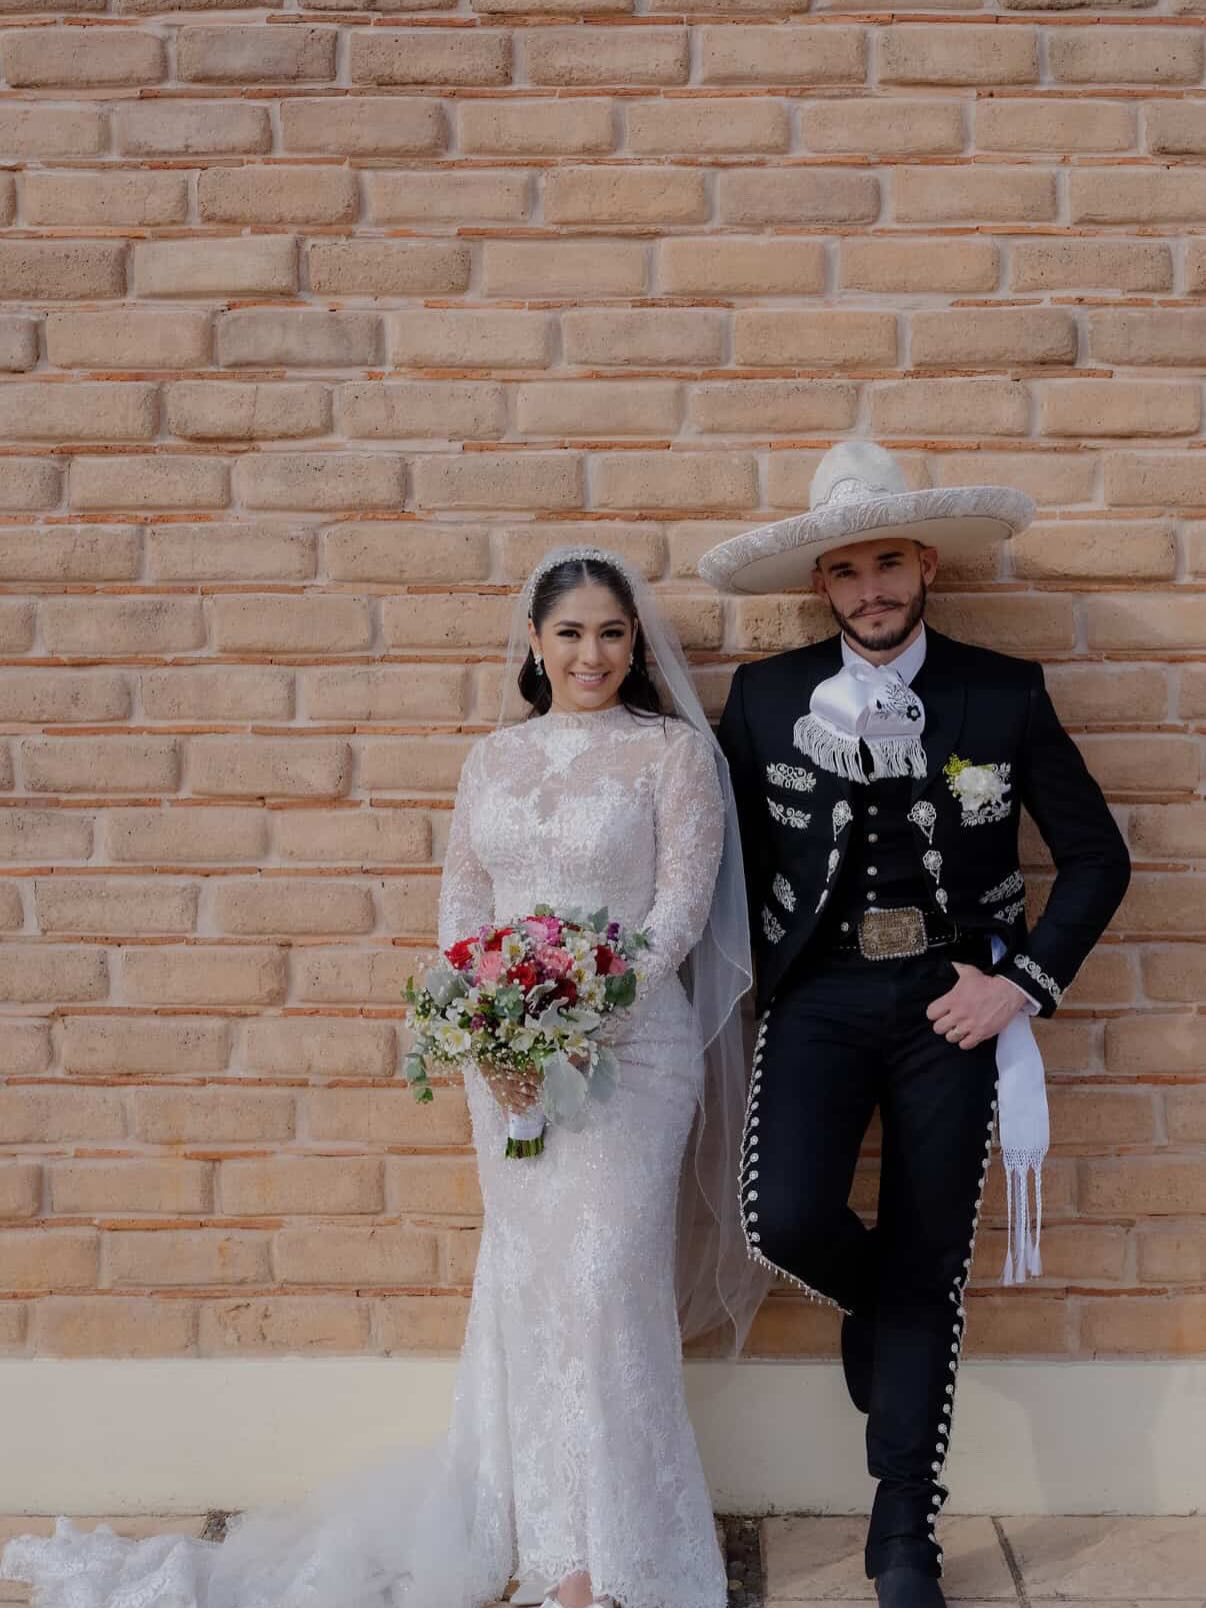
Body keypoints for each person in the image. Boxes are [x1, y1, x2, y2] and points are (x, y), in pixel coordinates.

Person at [2, 546, 765, 1608]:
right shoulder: (493, 761)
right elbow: (462, 909)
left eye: (611, 633)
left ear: (635, 647)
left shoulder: (672, 755)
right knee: (530, 1294)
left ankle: (612, 1552)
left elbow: (678, 915)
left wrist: (578, 1017)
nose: (591, 653)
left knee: (606, 1286)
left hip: (632, 1055)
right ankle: (541, 1534)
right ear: (534, 645)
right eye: (570, 632)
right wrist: (488, 1032)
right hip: (503, 1069)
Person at [701, 441, 1131, 1608]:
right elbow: (724, 859)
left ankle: (904, 1540)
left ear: (925, 563)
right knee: (784, 1215)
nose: (871, 590)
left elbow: (1097, 859)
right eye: (847, 571)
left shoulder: (1003, 689)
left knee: (934, 1256)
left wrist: (1021, 984)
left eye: (889, 563)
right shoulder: (771, 697)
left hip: (955, 1002)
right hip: (822, 995)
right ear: (823, 585)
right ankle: (880, 1305)